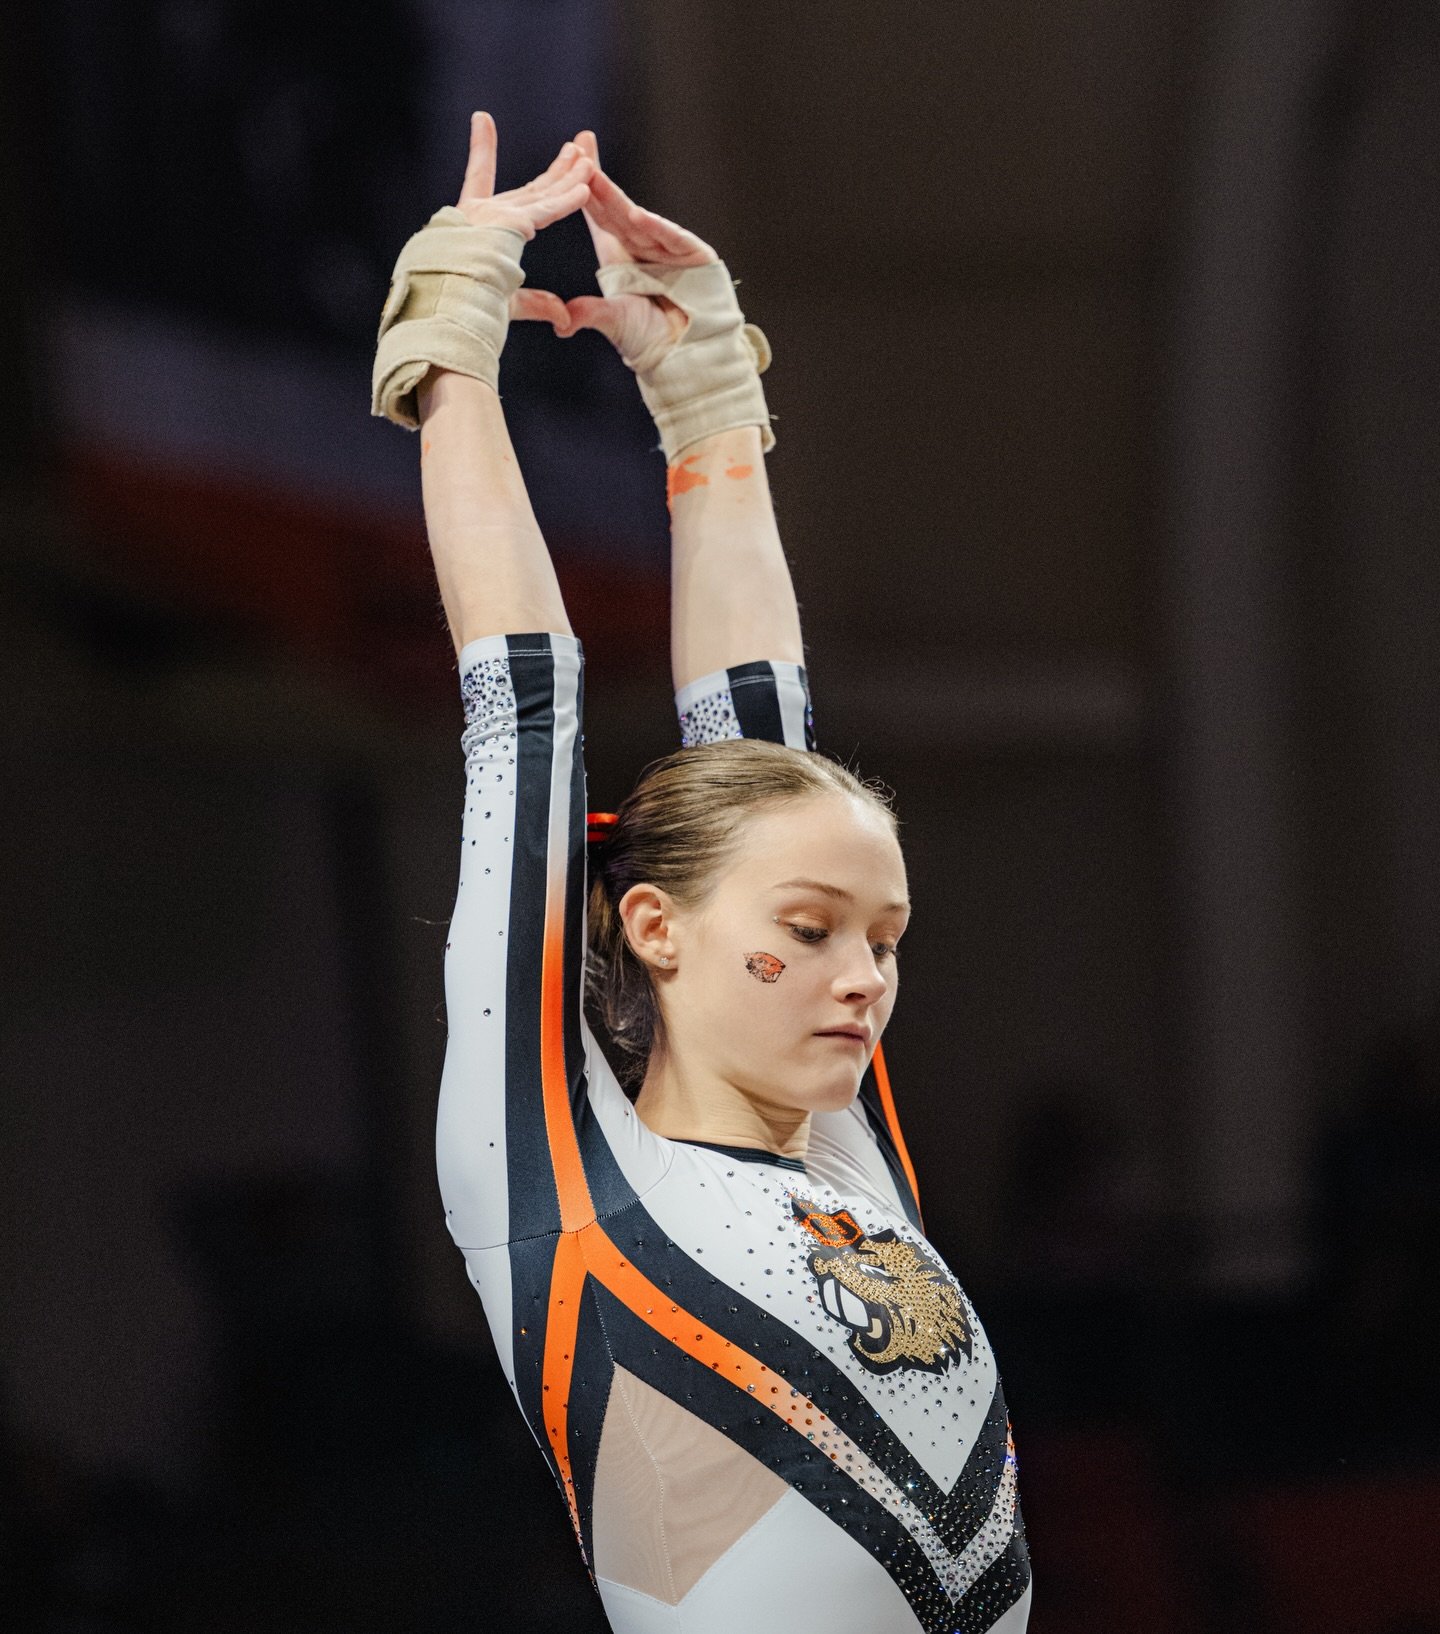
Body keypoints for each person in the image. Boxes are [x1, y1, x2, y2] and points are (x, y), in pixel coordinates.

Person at [372, 112, 1032, 1634]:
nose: (864, 976)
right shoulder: (557, 1181)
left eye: (886, 935)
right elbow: (520, 711)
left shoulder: (847, 1168)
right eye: (808, 930)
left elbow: (760, 730)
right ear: (653, 927)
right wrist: (452, 350)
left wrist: (708, 407)